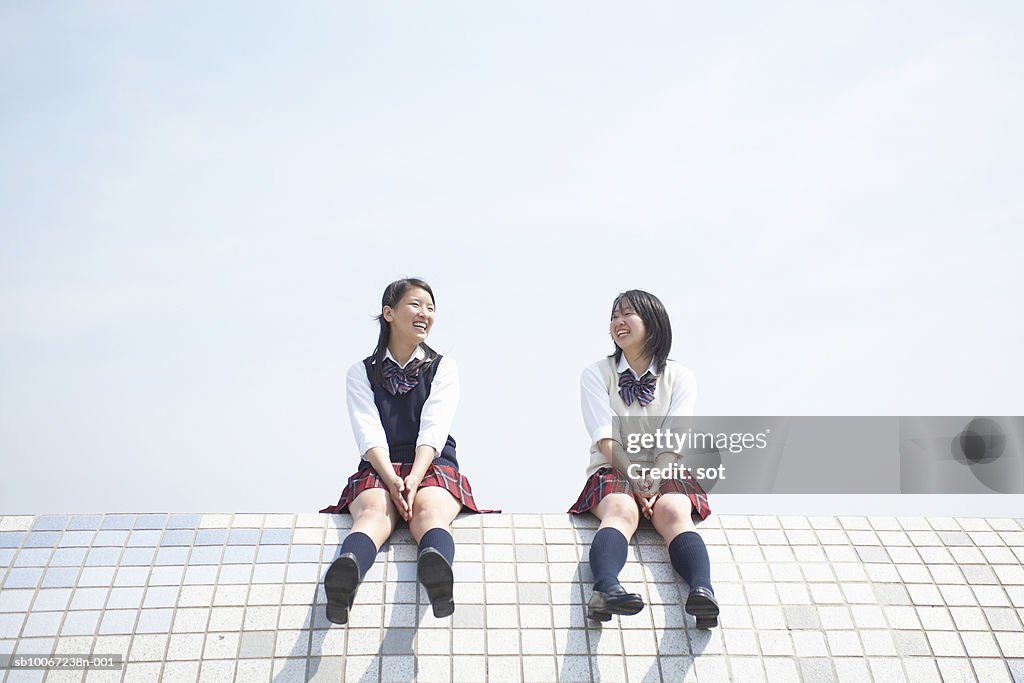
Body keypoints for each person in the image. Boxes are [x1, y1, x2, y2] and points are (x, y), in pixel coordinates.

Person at [320, 277, 494, 624]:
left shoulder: (443, 366)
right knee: (372, 514)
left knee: (429, 513)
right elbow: (368, 431)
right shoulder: (361, 372)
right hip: (379, 465)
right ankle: (345, 579)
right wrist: (391, 478)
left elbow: (435, 427)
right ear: (388, 313)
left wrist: (413, 477)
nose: (425, 314)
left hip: (430, 464)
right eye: (416, 305)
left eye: (431, 308)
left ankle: (438, 577)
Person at [568, 290, 719, 628]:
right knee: (620, 509)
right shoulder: (596, 373)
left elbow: (674, 435)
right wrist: (635, 476)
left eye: (627, 315)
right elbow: (603, 435)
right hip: (614, 466)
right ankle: (605, 588)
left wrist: (653, 478)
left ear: (652, 324)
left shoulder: (681, 376)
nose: (618, 322)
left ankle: (703, 592)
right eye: (614, 316)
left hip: (665, 468)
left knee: (674, 511)